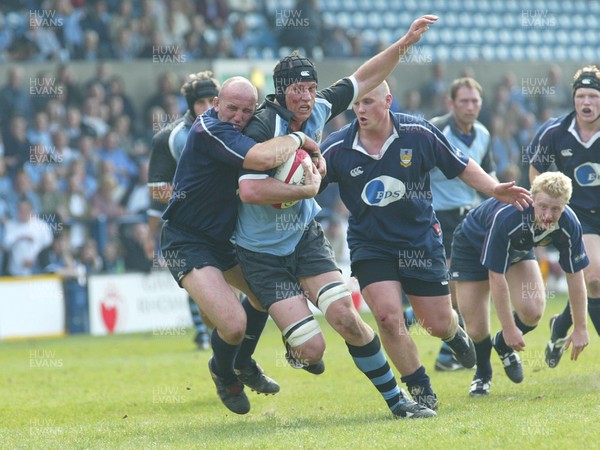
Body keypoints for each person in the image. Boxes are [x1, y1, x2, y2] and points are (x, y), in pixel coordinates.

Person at [235, 16, 440, 419]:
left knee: (347, 317)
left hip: (303, 239)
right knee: (313, 350)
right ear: (282, 91)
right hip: (261, 253)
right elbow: (249, 189)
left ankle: (399, 404)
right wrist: (305, 189)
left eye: (311, 88)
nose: (307, 96)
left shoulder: (320, 108)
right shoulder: (262, 126)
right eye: (298, 89)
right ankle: (286, 345)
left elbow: (365, 76)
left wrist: (405, 42)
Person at [320, 82, 532, 408]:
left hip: (419, 239)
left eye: (368, 102)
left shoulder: (419, 133)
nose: (360, 110)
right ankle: (419, 388)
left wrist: (493, 189)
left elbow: (461, 164)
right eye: (356, 104)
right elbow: (306, 183)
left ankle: (452, 333)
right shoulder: (336, 147)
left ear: (388, 101)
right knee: (389, 318)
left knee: (436, 322)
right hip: (370, 244)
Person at [161, 76, 321, 415]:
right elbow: (262, 159)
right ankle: (223, 372)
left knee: (265, 298)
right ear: (217, 104)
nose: (238, 116)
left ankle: (243, 362)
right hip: (186, 239)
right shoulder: (210, 131)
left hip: (225, 238)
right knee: (233, 325)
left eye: (247, 111)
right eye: (231, 108)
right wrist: (300, 138)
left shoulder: (244, 129)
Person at [451, 172, 589, 396]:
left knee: (533, 311)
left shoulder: (569, 223)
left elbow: (575, 275)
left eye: (555, 209)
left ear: (565, 205)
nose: (547, 215)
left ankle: (502, 345)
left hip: (517, 250)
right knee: (476, 328)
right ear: (532, 199)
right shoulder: (509, 217)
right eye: (543, 207)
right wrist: (508, 328)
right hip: (472, 246)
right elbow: (496, 277)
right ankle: (483, 374)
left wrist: (581, 327)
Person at [527, 65, 600, 367]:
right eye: (581, 95)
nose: (587, 102)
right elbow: (535, 172)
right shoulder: (555, 132)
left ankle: (560, 326)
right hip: (578, 216)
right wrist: (548, 209)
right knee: (594, 278)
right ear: (573, 99)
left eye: (594, 96)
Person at [147, 70, 220, 350]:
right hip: (191, 229)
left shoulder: (235, 127)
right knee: (204, 287)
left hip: (229, 225)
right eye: (199, 103)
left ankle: (227, 345)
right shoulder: (169, 137)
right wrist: (193, 200)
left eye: (212, 101)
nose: (206, 108)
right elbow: (156, 188)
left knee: (234, 292)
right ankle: (209, 336)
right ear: (190, 105)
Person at [427, 77, 495, 371]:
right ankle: (446, 351)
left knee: (472, 286)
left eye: (475, 101)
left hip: (474, 216)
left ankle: (444, 352)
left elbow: (487, 176)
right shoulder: (435, 130)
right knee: (456, 288)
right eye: (464, 101)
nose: (470, 107)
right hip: (441, 216)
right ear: (450, 103)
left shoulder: (483, 133)